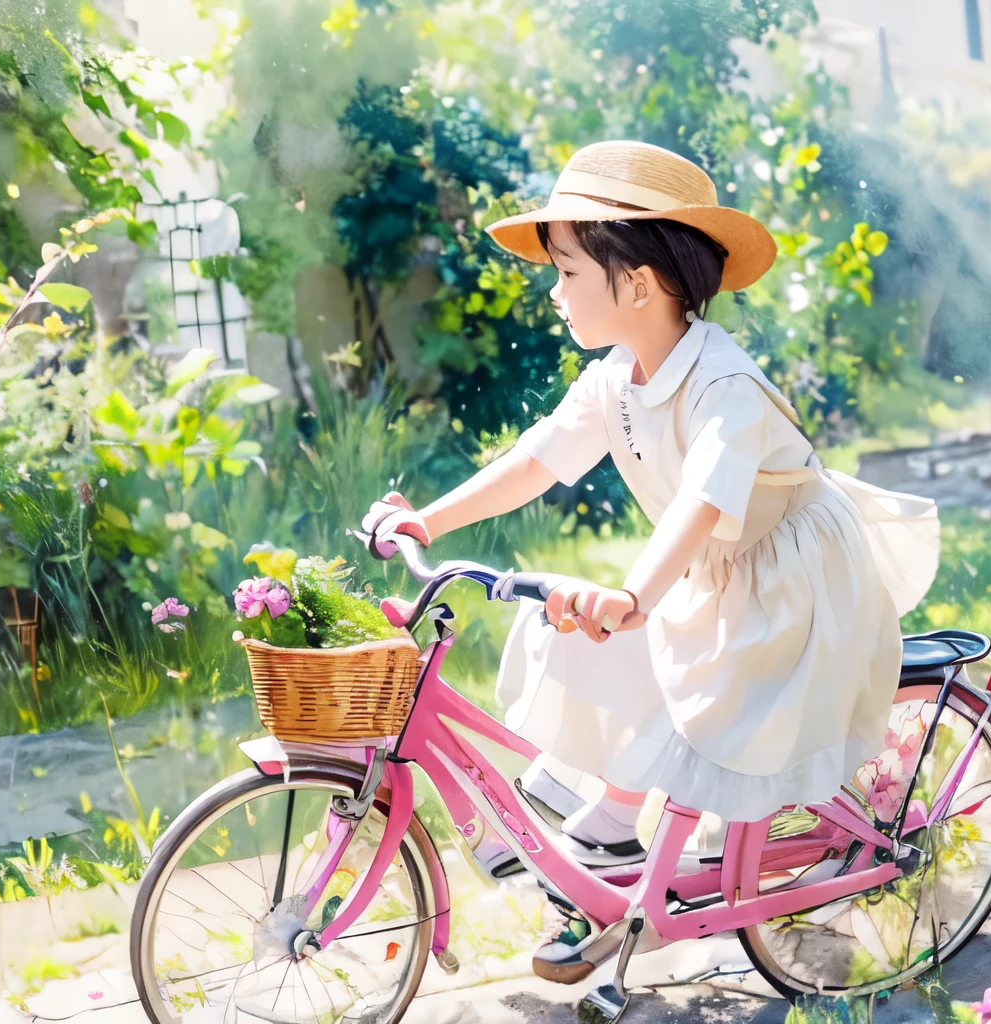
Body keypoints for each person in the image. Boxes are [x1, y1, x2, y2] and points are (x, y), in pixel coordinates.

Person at [362, 139, 939, 982]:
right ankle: (607, 844)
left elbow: (705, 499)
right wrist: (428, 520)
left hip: (791, 580)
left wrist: (633, 595)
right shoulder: (617, 379)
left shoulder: (723, 385)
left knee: (697, 695)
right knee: (610, 648)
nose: (554, 292)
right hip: (716, 563)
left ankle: (621, 854)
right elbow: (538, 459)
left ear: (634, 283)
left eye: (566, 273)